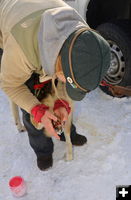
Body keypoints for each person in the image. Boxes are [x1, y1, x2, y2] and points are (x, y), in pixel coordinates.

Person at [0, 0, 110, 170]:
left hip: (40, 34)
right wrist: (38, 110)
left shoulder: (83, 36)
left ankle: (69, 134)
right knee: (31, 112)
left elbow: (64, 74)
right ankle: (42, 151)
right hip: (16, 29)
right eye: (67, 78)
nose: (66, 82)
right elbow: (10, 85)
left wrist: (61, 101)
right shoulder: (20, 51)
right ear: (59, 62)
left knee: (59, 102)